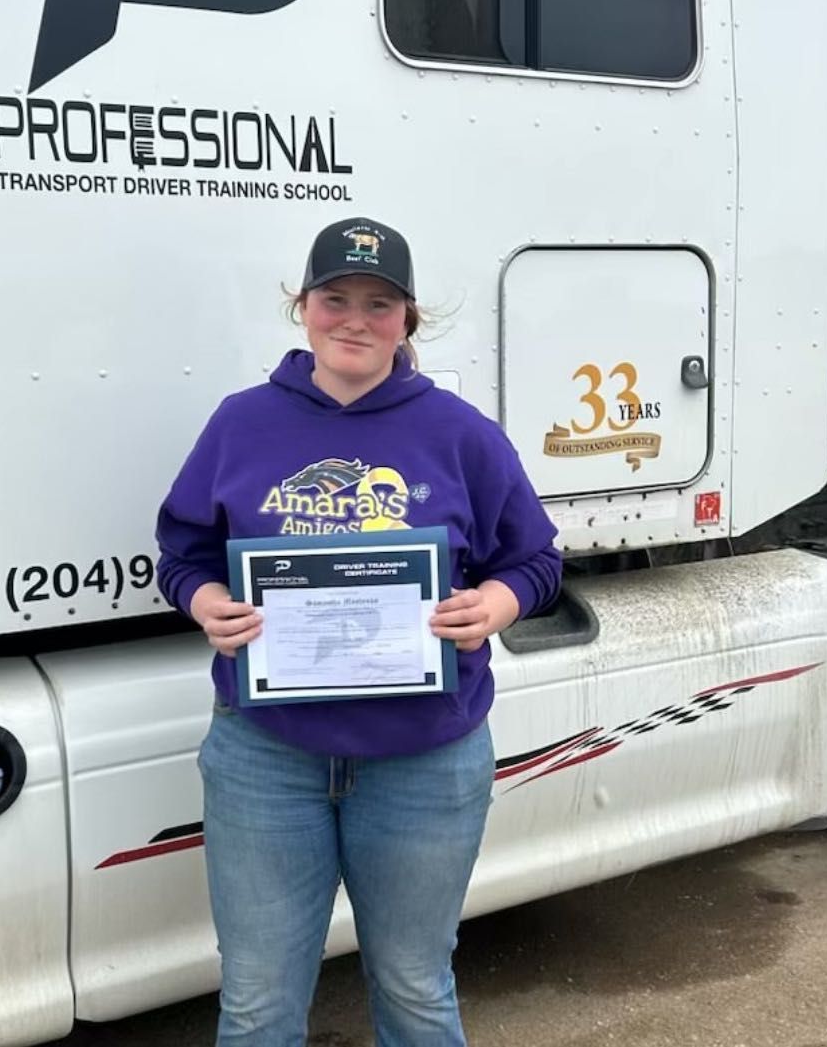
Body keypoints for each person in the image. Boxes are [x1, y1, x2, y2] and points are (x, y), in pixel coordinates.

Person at [156, 216, 561, 1047]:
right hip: (267, 756)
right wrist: (203, 602)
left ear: (408, 319)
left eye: (379, 303)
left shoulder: (459, 434)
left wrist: (494, 606)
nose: (355, 318)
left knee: (416, 989)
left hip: (425, 761)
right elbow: (182, 551)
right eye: (335, 297)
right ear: (302, 306)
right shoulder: (241, 424)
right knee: (260, 1003)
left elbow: (535, 560)